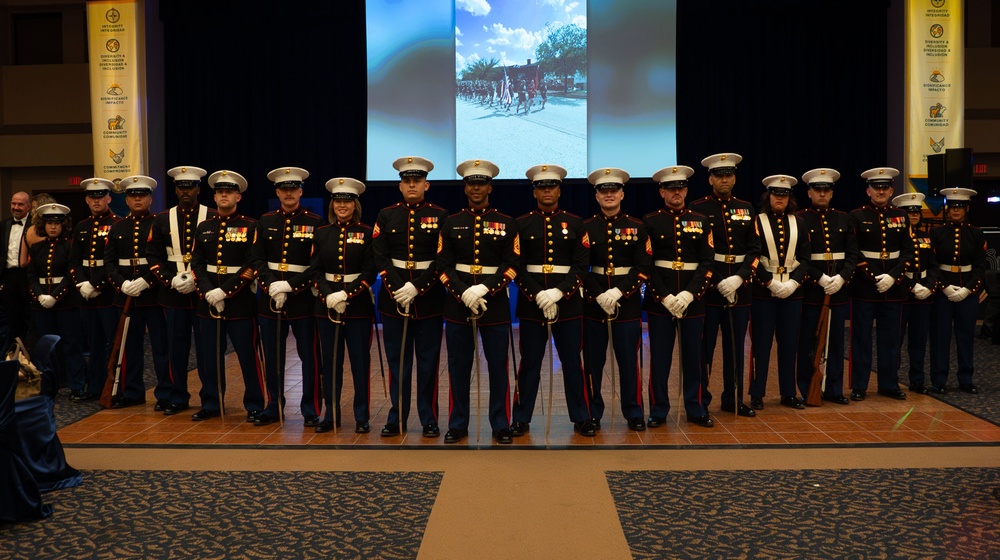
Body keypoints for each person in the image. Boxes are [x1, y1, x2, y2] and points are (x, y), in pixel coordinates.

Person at [437, 159, 518, 444]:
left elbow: (511, 264)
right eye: (471, 183)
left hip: (493, 303)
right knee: (458, 367)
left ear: (489, 187)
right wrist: (463, 292)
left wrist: (483, 290)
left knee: (498, 367)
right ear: (465, 187)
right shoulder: (451, 222)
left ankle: (500, 424)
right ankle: (458, 424)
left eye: (481, 183)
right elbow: (443, 265)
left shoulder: (507, 223)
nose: (476, 188)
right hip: (458, 303)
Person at [513, 163, 594, 437]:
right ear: (534, 192)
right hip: (532, 303)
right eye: (541, 187)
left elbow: (581, 266)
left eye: (551, 186)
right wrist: (538, 294)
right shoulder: (520, 224)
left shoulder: (575, 223)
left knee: (572, 361)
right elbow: (517, 266)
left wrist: (558, 293)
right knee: (530, 363)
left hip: (568, 303)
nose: (547, 191)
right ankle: (521, 417)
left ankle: (581, 417)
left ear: (559, 190)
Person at [374, 156, 449, 438]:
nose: (412, 185)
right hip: (394, 301)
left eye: (417, 181)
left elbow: (442, 258)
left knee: (428, 363)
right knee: (398, 363)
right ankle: (397, 417)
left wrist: (417, 287)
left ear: (426, 184)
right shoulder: (386, 214)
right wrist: (397, 288)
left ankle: (429, 418)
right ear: (400, 186)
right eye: (407, 181)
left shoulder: (441, 215)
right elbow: (379, 256)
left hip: (428, 299)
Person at [642, 165, 715, 428]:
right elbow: (647, 264)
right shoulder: (650, 221)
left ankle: (696, 408)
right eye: (671, 188)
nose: (677, 192)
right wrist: (664, 296)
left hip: (692, 299)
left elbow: (707, 262)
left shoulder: (701, 220)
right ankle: (659, 410)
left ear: (686, 190)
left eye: (681, 188)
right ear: (662, 191)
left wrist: (688, 294)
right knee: (660, 358)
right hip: (660, 301)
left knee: (694, 358)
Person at [251, 167, 324, 427]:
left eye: (294, 188)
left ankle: (311, 408)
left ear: (301, 191)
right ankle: (273, 405)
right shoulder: (266, 220)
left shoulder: (316, 222)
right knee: (272, 355)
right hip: (270, 297)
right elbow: (256, 258)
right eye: (284, 189)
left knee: (309, 355)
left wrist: (290, 287)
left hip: (302, 297)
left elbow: (316, 264)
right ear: (278, 192)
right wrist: (272, 286)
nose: (289, 193)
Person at [190, 170, 266, 421]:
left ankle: (254, 403)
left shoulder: (250, 225)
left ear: (238, 196)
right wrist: (208, 291)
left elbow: (252, 265)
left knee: (247, 355)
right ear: (214, 196)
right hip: (208, 300)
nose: (224, 195)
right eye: (220, 191)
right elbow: (197, 263)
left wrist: (226, 290)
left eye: (229, 191)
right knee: (209, 356)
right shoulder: (204, 227)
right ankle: (211, 402)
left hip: (240, 302)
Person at [689, 153, 760, 417]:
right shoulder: (698, 208)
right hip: (709, 289)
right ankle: (701, 401)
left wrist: (739, 278)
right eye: (719, 175)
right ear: (710, 179)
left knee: (735, 348)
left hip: (739, 288)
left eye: (729, 175)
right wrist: (719, 281)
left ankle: (734, 398)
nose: (725, 179)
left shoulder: (747, 207)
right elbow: (698, 254)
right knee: (704, 350)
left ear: (734, 177)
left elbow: (754, 249)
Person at [581, 167, 650, 431]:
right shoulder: (585, 228)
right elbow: (581, 267)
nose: (609, 195)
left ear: (622, 193)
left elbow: (643, 266)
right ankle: (592, 411)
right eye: (603, 191)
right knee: (593, 362)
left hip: (627, 302)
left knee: (628, 362)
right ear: (597, 196)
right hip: (594, 303)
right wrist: (599, 294)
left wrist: (618, 292)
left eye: (613, 191)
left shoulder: (637, 226)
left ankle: (633, 411)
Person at [148, 166, 216, 415]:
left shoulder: (212, 216)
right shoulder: (163, 218)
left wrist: (197, 280)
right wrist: (169, 280)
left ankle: (210, 399)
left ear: (198, 189)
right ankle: (177, 396)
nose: (185, 191)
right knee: (175, 349)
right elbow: (153, 256)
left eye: (190, 187)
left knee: (207, 350)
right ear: (176, 190)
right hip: (172, 294)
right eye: (181, 187)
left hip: (203, 295)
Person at [312, 177, 376, 434]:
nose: (342, 205)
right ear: (332, 204)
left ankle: (362, 416)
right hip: (326, 307)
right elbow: (315, 271)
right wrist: (329, 295)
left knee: (360, 363)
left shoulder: (368, 232)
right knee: (330, 363)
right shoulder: (321, 233)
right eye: (338, 200)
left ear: (355, 204)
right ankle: (331, 414)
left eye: (347, 201)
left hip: (358, 306)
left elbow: (370, 271)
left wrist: (347, 295)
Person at [847, 167, 914, 401]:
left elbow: (908, 251)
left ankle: (889, 384)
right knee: (861, 338)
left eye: (885, 188)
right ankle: (859, 385)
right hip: (865, 286)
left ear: (892, 191)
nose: (881, 191)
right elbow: (853, 252)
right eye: (877, 188)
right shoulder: (856, 216)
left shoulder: (902, 216)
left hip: (894, 288)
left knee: (891, 339)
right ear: (868, 191)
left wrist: (893, 277)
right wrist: (876, 276)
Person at [104, 175, 169, 409]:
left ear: (151, 199)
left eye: (142, 195)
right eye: (132, 195)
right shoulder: (118, 226)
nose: (137, 198)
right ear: (127, 200)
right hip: (125, 294)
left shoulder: (160, 224)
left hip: (153, 294)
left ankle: (164, 393)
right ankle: (132, 392)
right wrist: (121, 284)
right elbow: (109, 263)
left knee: (161, 347)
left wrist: (147, 281)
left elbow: (165, 260)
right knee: (128, 347)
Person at [748, 175, 812, 410]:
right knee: (761, 345)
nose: (780, 199)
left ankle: (788, 393)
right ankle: (757, 393)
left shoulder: (800, 222)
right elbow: (753, 257)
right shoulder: (757, 221)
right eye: (776, 194)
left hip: (792, 294)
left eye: (784, 195)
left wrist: (794, 283)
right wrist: (770, 283)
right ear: (768, 196)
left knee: (789, 345)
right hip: (763, 293)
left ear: (789, 198)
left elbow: (805, 259)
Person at [795, 168, 858, 405]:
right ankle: (805, 388)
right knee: (808, 342)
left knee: (835, 343)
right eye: (817, 190)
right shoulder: (800, 218)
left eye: (826, 190)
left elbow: (852, 255)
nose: (822, 194)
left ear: (832, 193)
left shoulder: (844, 218)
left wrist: (842, 277)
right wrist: (819, 278)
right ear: (809, 192)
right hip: (812, 289)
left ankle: (834, 389)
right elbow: (801, 257)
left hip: (838, 289)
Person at [24, 203, 86, 396]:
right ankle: (50, 386)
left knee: (71, 345)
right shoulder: (36, 248)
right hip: (42, 304)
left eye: (57, 223)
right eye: (49, 223)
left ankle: (76, 386)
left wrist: (55, 296)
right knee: (46, 348)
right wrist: (39, 295)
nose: (52, 227)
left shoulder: (70, 246)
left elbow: (71, 274)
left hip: (66, 303)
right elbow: (31, 275)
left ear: (63, 226)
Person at [929, 188, 986, 394]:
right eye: (952, 207)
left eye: (960, 207)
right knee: (940, 336)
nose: (955, 211)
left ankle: (966, 378)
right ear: (947, 209)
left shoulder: (976, 233)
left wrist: (968, 289)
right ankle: (939, 379)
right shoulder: (936, 233)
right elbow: (933, 264)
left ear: (967, 208)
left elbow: (980, 266)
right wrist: (943, 287)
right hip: (943, 291)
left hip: (967, 292)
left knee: (965, 336)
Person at [68, 178, 119, 402]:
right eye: (92, 198)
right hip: (86, 295)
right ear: (87, 200)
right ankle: (94, 386)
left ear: (108, 198)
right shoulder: (81, 226)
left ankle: (116, 387)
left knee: (112, 343)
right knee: (93, 343)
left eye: (101, 197)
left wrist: (96, 284)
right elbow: (73, 261)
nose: (96, 201)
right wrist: (82, 284)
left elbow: (114, 262)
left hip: (108, 292)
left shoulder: (117, 223)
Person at [892, 192, 936, 395]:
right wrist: (910, 286)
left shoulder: (927, 236)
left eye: (917, 211)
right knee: (896, 340)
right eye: (909, 212)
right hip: (902, 292)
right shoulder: (897, 237)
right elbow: (895, 265)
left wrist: (928, 286)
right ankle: (892, 379)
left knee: (919, 340)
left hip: (923, 295)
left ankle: (917, 379)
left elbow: (934, 265)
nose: (914, 215)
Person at [1, 191, 32, 351]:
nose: (16, 207)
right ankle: (13, 353)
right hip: (8, 277)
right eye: (14, 203)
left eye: (20, 204)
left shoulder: (35, 226)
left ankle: (29, 354)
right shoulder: (4, 225)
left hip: (27, 276)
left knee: (29, 316)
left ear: (29, 206)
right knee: (11, 318)